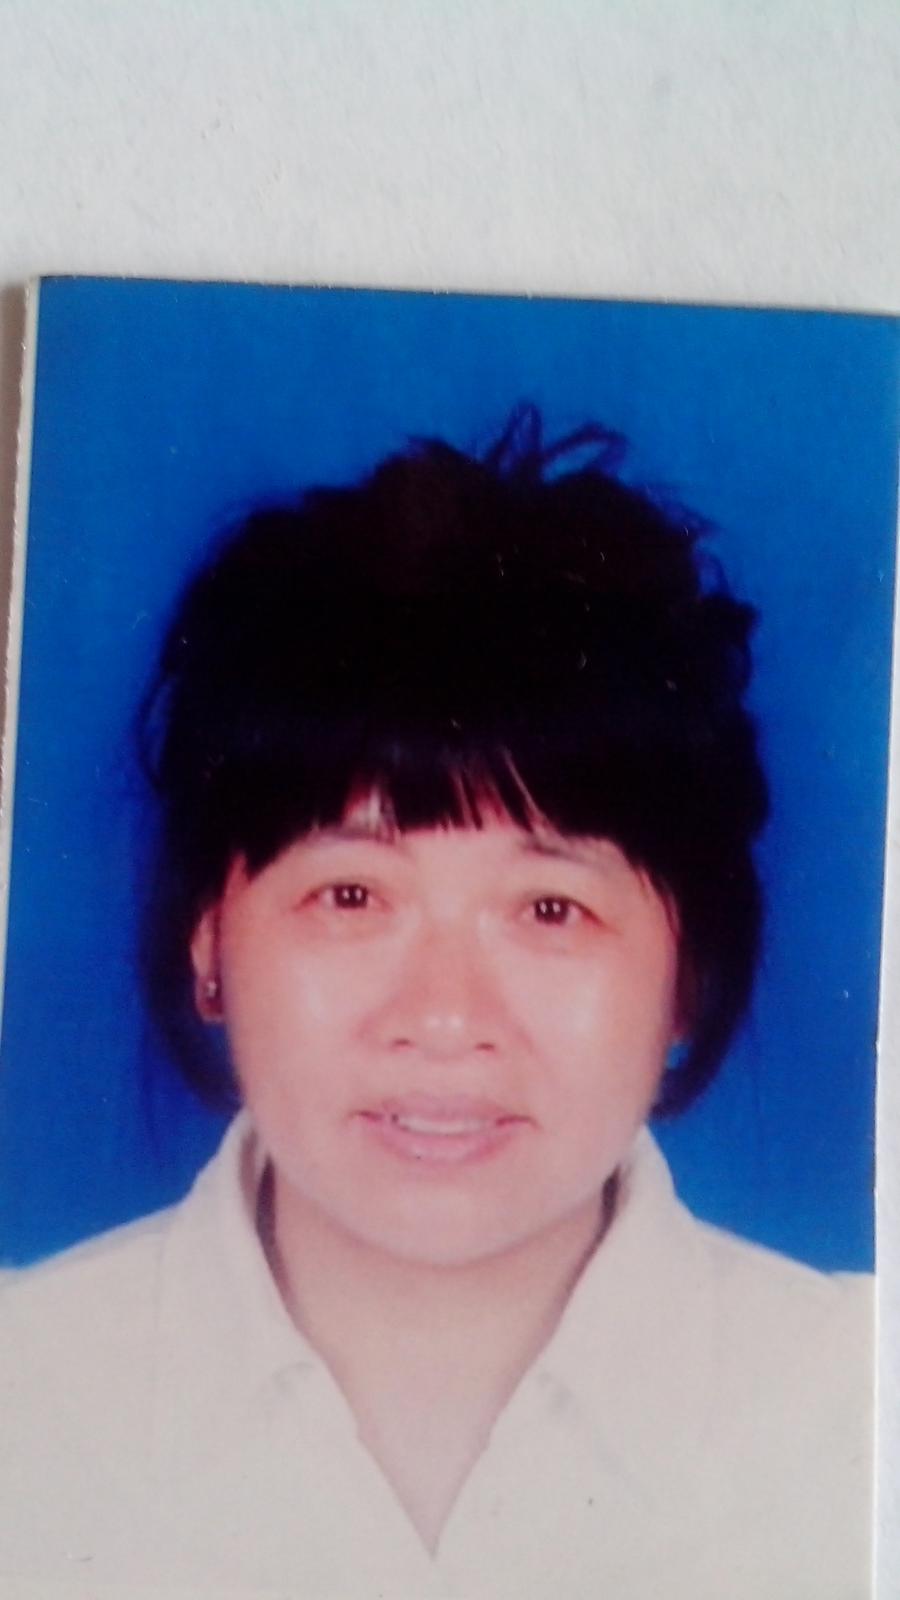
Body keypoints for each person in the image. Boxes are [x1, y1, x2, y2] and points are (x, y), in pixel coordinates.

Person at [0, 407, 872, 1598]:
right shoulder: (28, 1397)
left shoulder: (852, 1408)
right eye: (351, 895)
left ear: (688, 978)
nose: (446, 1017)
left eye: (550, 909)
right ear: (208, 940)